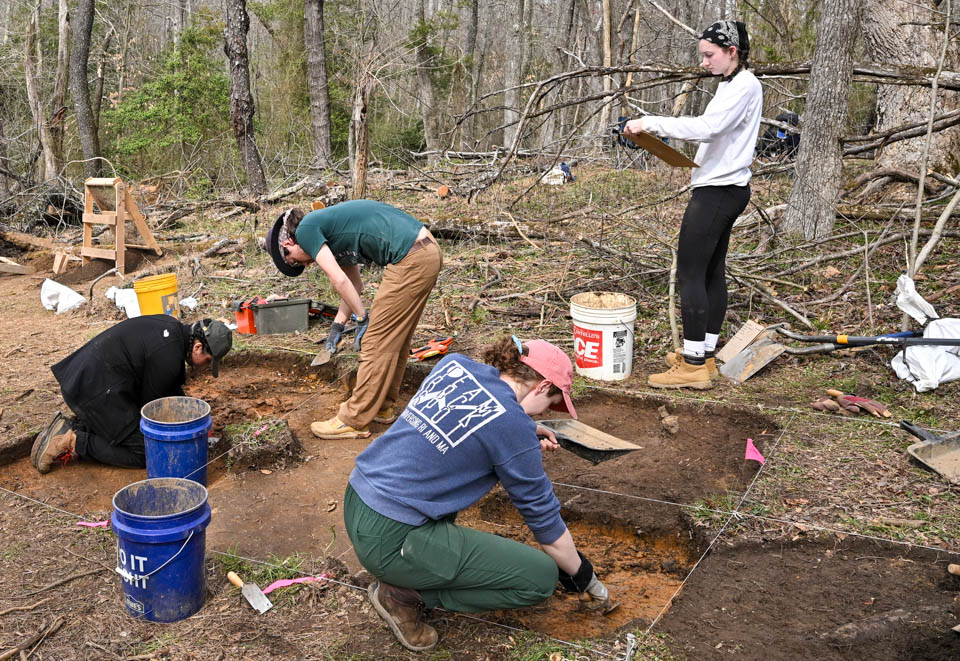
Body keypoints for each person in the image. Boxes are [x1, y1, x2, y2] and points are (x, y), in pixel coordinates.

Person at [343, 336, 611, 652]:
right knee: (539, 578)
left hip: (359, 498)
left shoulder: (454, 365)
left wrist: (523, 431)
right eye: (551, 403)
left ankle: (404, 573)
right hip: (392, 538)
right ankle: (403, 596)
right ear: (541, 386)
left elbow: (469, 422)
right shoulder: (511, 427)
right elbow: (545, 524)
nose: (545, 413)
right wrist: (582, 574)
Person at [625, 20, 762, 389]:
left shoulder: (744, 85)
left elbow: (708, 127)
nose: (703, 62)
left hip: (719, 191)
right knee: (710, 271)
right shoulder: (734, 84)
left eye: (709, 55)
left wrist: (650, 123)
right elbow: (715, 131)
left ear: (732, 51)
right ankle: (704, 355)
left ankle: (692, 366)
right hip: (723, 186)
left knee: (690, 273)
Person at [266, 199, 442, 439]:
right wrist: (338, 325)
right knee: (395, 341)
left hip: (410, 259)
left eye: (295, 261)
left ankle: (352, 419)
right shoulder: (331, 233)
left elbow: (338, 280)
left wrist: (362, 318)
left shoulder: (307, 229)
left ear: (288, 243)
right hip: (425, 252)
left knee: (374, 341)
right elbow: (354, 285)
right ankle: (383, 406)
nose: (305, 265)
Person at [30, 316, 232, 473]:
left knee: (132, 426)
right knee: (146, 452)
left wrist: (195, 420)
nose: (205, 368)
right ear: (197, 347)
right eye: (207, 361)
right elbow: (153, 411)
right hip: (95, 391)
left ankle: (74, 427)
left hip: (84, 380)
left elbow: (170, 391)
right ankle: (72, 441)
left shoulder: (172, 332)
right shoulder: (169, 358)